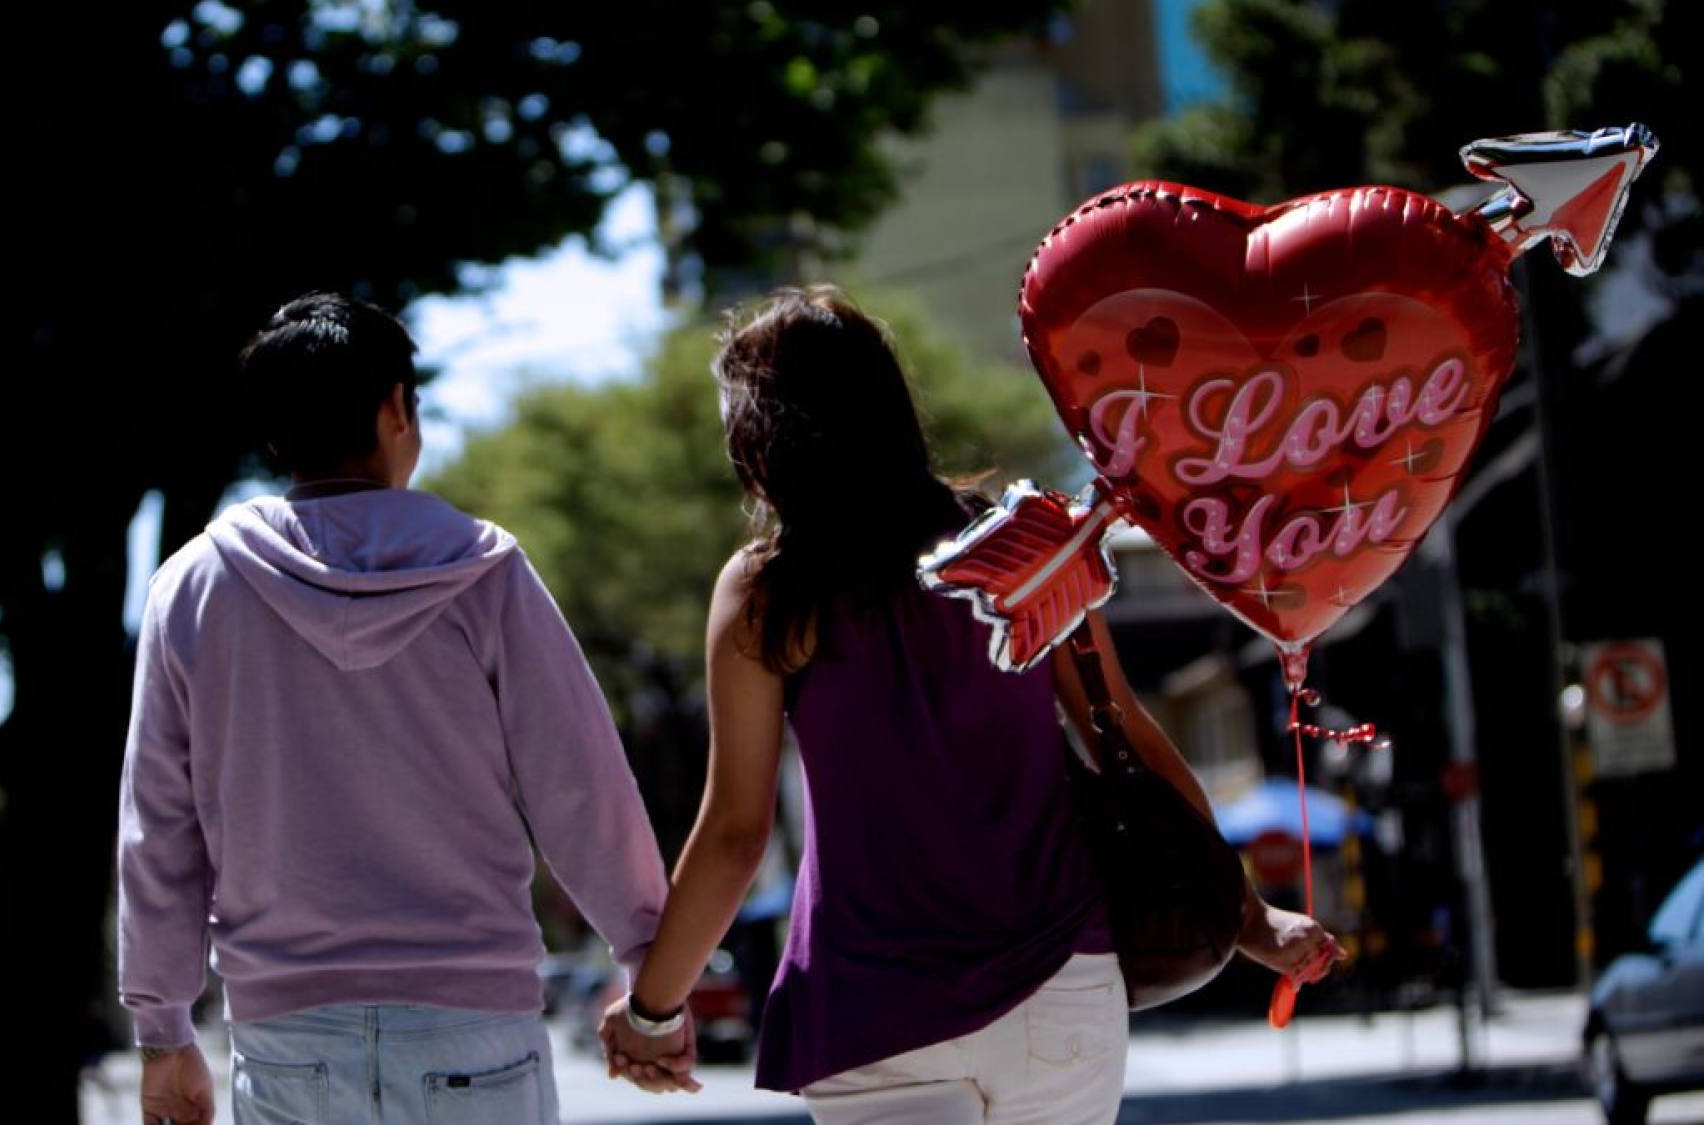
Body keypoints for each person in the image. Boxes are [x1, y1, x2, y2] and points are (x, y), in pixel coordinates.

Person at [601, 286, 1341, 1124]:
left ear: (762, 436)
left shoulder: (767, 593)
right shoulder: (1025, 543)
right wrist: (1248, 914)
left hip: (876, 1008)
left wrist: (653, 1011)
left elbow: (736, 833)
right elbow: (1123, 734)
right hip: (1062, 983)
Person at [116, 292, 672, 1124]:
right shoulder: (484, 572)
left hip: (287, 1035)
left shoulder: (193, 587)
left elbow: (158, 828)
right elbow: (580, 785)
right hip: (476, 1025)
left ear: (273, 435)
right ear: (395, 409)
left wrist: (162, 1027)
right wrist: (649, 970)